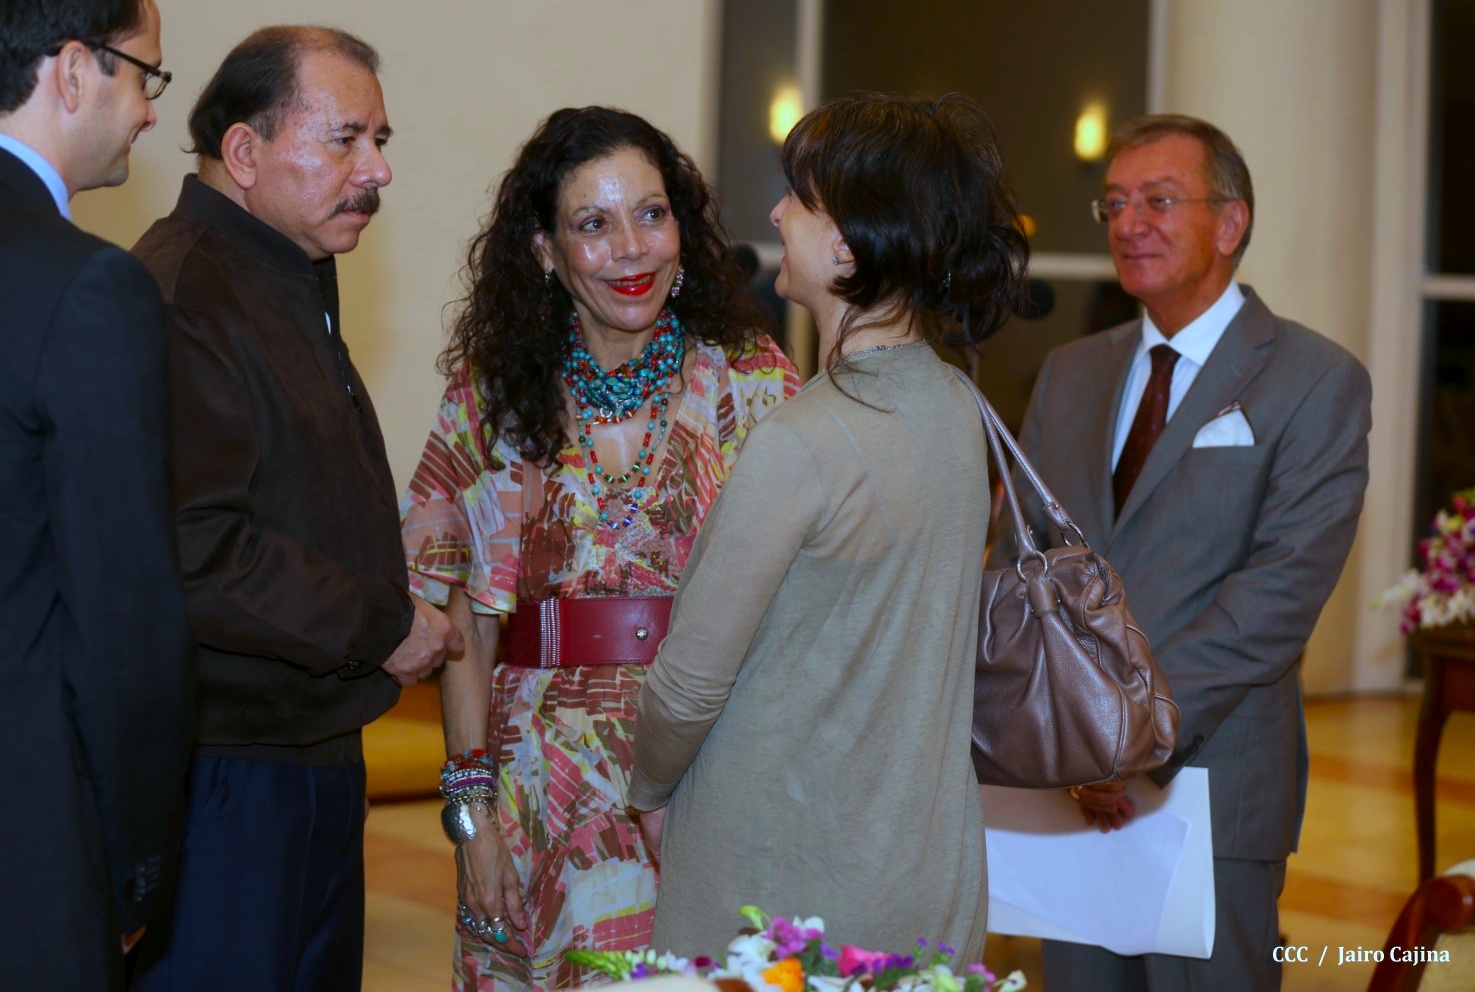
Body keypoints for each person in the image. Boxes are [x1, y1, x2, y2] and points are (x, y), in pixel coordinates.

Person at [400, 105, 799, 989]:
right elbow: (464, 627)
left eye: (651, 214)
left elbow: (805, 608)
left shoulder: (752, 380)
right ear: (545, 251)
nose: (631, 248)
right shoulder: (490, 396)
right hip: (534, 787)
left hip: (707, 774)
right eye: (593, 224)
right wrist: (472, 821)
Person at [627, 92, 1029, 960]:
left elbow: (690, 682)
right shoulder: (955, 405)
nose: (776, 214)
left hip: (790, 880)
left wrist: (649, 790)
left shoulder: (802, 440)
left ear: (848, 245)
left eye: (797, 199)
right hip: (921, 860)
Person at [127, 26, 457, 990]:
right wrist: (382, 620)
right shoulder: (189, 291)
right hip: (228, 773)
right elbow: (197, 549)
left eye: (379, 141)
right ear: (245, 151)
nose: (377, 171)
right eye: (345, 139)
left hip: (304, 750)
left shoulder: (279, 270)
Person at [1014, 115, 1371, 991]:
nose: (1128, 223)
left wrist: (1131, 735)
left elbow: (1275, 598)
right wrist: (1061, 736)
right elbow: (1019, 560)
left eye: (1159, 200)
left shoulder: (1314, 380)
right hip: (1071, 789)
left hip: (1211, 783)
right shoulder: (1070, 372)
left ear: (1230, 222)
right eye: (1113, 204)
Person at [0, 0, 191, 987]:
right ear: (75, 70)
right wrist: (134, 871)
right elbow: (124, 625)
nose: (150, 111)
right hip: (9, 851)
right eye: (145, 74)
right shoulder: (85, 286)